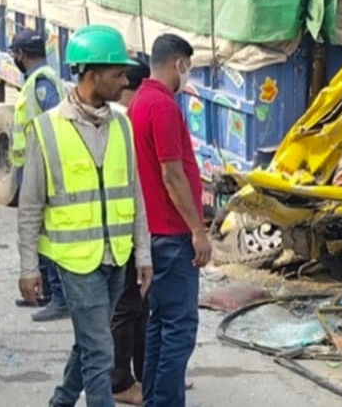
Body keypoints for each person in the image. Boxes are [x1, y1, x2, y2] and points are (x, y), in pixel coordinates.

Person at [18, 24, 153, 407]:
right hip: (75, 260)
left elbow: (135, 193)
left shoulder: (123, 124)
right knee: (100, 352)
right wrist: (29, 267)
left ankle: (61, 401)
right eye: (119, 74)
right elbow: (30, 205)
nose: (125, 81)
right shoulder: (47, 129)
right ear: (92, 75)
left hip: (117, 256)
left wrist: (143, 254)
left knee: (92, 340)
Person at [129, 34, 211, 407]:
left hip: (154, 233)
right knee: (179, 329)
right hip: (172, 234)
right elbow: (172, 174)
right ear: (179, 63)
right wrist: (198, 230)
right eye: (187, 66)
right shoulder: (162, 107)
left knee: (161, 324)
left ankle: (155, 398)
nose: (187, 73)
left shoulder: (140, 101)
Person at [8, 29, 71, 322]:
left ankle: (59, 296)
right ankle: (45, 290)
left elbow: (53, 121)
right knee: (37, 230)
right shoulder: (37, 79)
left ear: (21, 54)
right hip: (32, 164)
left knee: (45, 231)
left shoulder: (42, 81)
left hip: (42, 165)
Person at [109, 60, 151, 405]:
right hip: (121, 233)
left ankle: (140, 375)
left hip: (124, 230)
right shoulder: (122, 122)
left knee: (137, 307)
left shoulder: (119, 120)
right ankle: (120, 380)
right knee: (128, 308)